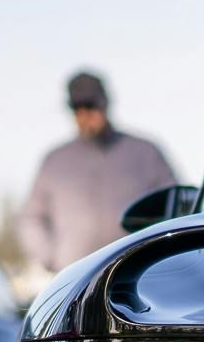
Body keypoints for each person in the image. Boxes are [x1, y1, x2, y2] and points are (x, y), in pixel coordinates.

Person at [18, 71, 176, 275]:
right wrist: (51, 258)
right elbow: (30, 218)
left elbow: (175, 205)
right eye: (77, 109)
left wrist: (159, 253)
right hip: (75, 280)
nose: (84, 115)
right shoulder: (54, 161)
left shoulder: (145, 152)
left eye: (91, 106)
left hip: (139, 274)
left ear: (105, 104)